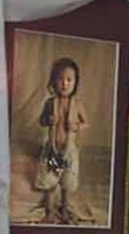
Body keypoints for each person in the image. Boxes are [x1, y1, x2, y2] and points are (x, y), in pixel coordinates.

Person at [33, 57, 88, 224]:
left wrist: (77, 126)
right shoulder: (51, 102)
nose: (64, 84)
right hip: (52, 149)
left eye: (69, 80)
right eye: (60, 79)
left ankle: (64, 210)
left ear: (75, 82)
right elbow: (41, 121)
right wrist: (47, 120)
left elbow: (86, 122)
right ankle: (50, 211)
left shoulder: (77, 104)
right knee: (49, 184)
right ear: (53, 81)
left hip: (69, 151)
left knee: (66, 185)